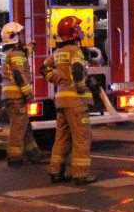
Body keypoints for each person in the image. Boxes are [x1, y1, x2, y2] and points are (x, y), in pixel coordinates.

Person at [40, 15, 97, 185]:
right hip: (76, 103)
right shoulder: (75, 51)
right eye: (78, 28)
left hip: (61, 101)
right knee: (81, 138)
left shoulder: (57, 52)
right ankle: (80, 174)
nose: (80, 31)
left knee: (62, 138)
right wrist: (81, 87)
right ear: (73, 33)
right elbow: (78, 70)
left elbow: (43, 68)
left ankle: (56, 171)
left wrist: (56, 79)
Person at [0, 22, 43, 166]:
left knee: (24, 126)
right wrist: (28, 93)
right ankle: (15, 157)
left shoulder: (8, 52)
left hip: (9, 96)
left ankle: (34, 154)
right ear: (14, 37)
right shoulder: (16, 54)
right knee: (18, 127)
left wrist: (32, 46)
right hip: (16, 96)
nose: (21, 36)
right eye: (19, 34)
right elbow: (18, 73)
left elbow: (24, 52)